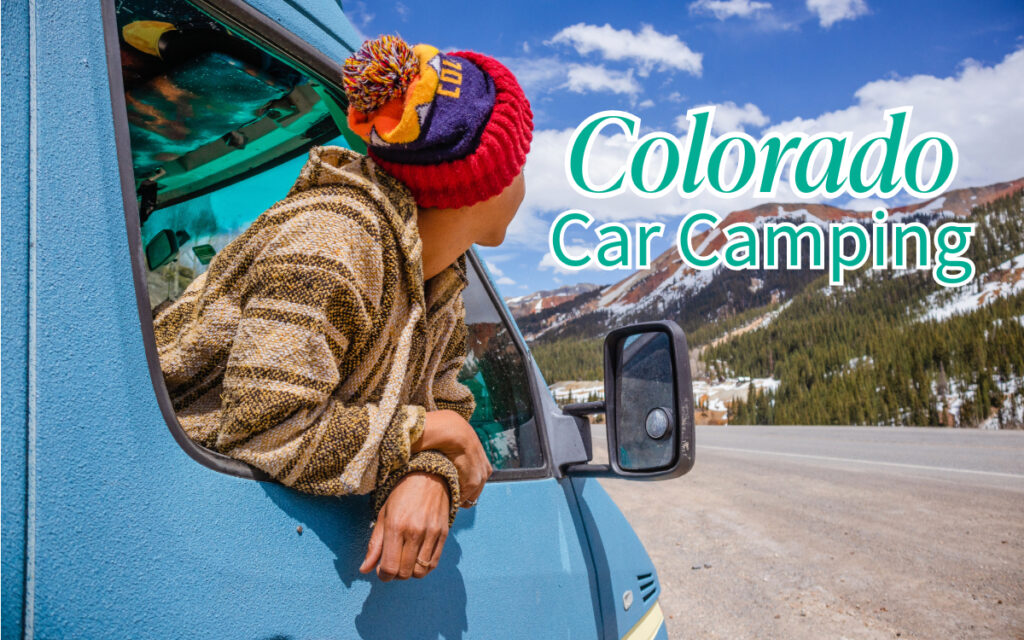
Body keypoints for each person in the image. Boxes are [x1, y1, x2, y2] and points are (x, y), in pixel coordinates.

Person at [153, 34, 533, 581]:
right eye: (520, 158)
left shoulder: (439, 285)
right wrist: (428, 434)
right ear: (480, 181)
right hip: (175, 535)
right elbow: (265, 428)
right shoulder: (335, 239)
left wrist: (426, 471)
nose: (527, 176)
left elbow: (445, 412)